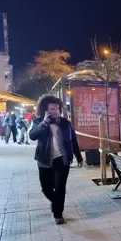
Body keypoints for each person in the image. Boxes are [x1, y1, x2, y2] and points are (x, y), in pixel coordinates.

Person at [29, 95, 83, 224]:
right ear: (45, 110)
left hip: (62, 160)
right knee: (46, 188)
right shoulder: (38, 122)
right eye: (52, 109)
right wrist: (44, 123)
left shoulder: (65, 123)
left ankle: (58, 214)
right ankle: (56, 202)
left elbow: (73, 141)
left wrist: (79, 156)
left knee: (60, 187)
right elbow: (32, 136)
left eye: (57, 108)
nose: (56, 111)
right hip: (44, 160)